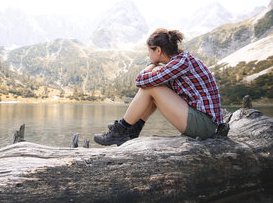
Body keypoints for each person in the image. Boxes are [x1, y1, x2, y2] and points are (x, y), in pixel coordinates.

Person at [94, 28, 223, 146]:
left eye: (149, 51)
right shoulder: (178, 61)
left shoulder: (181, 62)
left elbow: (140, 80)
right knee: (154, 86)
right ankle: (131, 130)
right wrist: (155, 66)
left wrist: (152, 65)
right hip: (203, 122)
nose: (148, 54)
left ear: (158, 50)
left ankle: (120, 131)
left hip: (204, 125)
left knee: (152, 87)